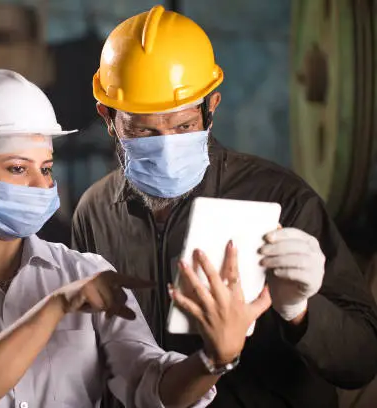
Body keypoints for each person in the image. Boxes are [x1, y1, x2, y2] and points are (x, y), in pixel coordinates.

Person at [0, 69, 272, 408]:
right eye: (16, 168)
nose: (41, 185)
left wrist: (214, 358)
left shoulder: (86, 273)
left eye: (45, 168)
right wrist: (56, 307)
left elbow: (152, 385)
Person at [71, 5, 377, 408]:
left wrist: (301, 311)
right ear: (108, 118)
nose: (165, 144)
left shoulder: (280, 199)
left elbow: (361, 360)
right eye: (143, 130)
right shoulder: (95, 212)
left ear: (210, 107)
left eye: (182, 127)